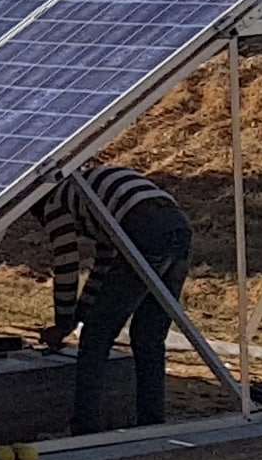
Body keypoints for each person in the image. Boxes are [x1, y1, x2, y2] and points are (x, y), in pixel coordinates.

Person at [29, 162, 194, 434]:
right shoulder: (90, 194)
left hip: (143, 228)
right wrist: (78, 316)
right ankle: (151, 424)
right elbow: (103, 269)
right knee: (149, 338)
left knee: (95, 340)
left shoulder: (54, 201)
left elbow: (67, 264)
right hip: (177, 226)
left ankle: (85, 428)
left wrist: (62, 323)